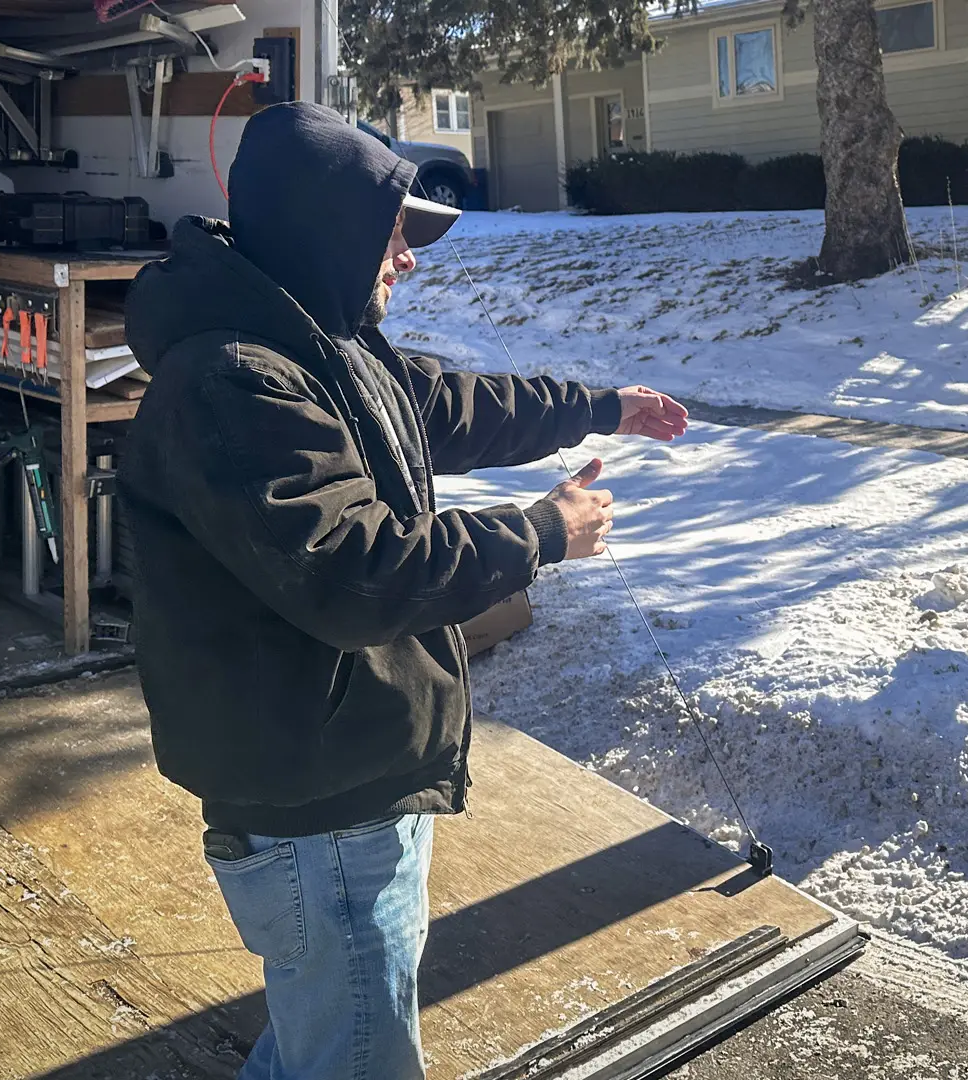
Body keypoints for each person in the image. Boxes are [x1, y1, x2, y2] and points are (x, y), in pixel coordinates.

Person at [117, 100, 689, 1080]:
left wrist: (603, 407)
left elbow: (449, 408)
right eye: (392, 236)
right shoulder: (234, 383)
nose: (410, 260)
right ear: (323, 233)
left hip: (346, 787)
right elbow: (355, 569)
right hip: (319, 813)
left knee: (321, 1042)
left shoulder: (317, 341)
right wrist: (543, 532)